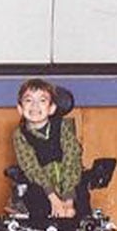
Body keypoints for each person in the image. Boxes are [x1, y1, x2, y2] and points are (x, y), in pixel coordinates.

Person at [13, 78, 83, 219]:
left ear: (52, 108)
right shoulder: (20, 135)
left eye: (42, 101)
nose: (35, 106)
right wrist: (54, 200)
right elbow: (32, 168)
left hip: (68, 181)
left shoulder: (62, 128)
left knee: (79, 203)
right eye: (28, 100)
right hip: (42, 186)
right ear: (20, 108)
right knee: (38, 202)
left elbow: (72, 159)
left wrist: (68, 200)